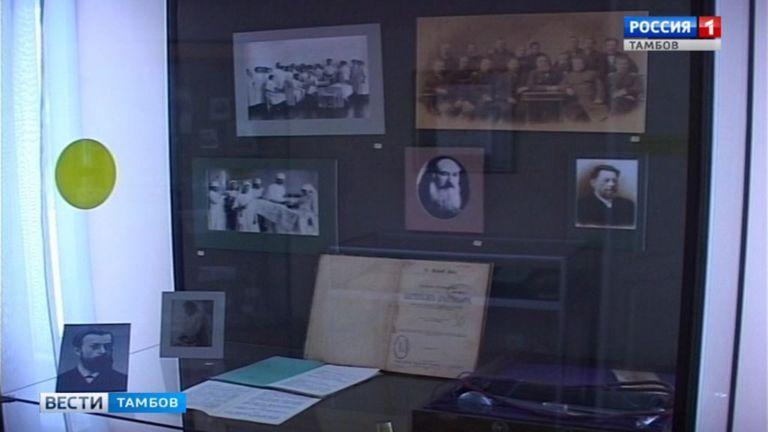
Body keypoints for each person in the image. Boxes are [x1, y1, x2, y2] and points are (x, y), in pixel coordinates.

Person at [56, 328, 128, 392]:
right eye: (95, 346)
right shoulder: (61, 381)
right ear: (78, 351)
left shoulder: (123, 380)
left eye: (107, 346)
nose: (103, 351)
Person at [560, 55, 607, 122]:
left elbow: (600, 87)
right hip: (575, 99)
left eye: (579, 63)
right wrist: (566, 88)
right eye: (575, 64)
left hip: (590, 99)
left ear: (584, 63)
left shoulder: (592, 73)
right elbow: (561, 85)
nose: (577, 65)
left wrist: (599, 98)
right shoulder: (569, 75)